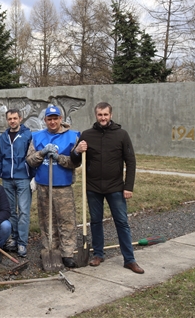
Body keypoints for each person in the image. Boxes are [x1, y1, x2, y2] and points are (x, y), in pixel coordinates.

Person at [71, 102, 144, 274]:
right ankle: (98, 254)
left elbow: (131, 161)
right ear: (95, 116)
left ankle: (129, 259)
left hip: (116, 188)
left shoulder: (121, 135)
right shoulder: (87, 135)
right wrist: (76, 150)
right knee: (95, 222)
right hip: (93, 187)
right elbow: (75, 161)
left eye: (105, 114)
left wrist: (128, 186)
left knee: (122, 222)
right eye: (99, 115)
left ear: (111, 115)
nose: (102, 118)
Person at [26, 105, 80, 268]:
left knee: (66, 220)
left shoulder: (72, 137)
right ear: (45, 120)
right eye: (49, 119)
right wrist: (41, 154)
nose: (52, 122)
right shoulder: (37, 137)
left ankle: (68, 252)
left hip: (62, 185)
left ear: (61, 119)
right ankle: (51, 248)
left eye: (55, 118)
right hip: (43, 185)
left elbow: (75, 162)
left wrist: (58, 158)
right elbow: (30, 159)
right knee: (46, 220)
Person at [0, 108, 34, 258]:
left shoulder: (27, 135)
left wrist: (34, 177)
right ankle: (13, 238)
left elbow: (32, 157)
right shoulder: (3, 137)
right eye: (9, 119)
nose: (12, 121)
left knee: (24, 211)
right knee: (10, 211)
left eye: (15, 118)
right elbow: (1, 158)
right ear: (7, 120)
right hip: (7, 178)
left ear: (20, 118)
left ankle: (22, 243)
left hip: (23, 177)